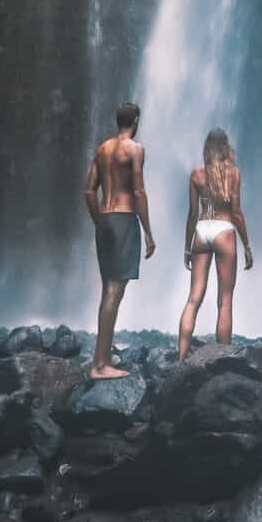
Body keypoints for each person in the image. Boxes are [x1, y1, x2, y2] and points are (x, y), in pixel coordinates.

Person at [84, 101, 155, 378]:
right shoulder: (135, 149)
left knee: (107, 292)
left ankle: (102, 359)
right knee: (115, 293)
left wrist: (99, 222)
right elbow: (138, 192)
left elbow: (89, 192)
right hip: (125, 220)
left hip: (105, 218)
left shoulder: (102, 149)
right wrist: (148, 231)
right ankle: (100, 365)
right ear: (136, 120)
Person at [178, 128, 253, 361]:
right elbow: (237, 213)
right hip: (223, 229)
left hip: (202, 229)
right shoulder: (234, 174)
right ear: (225, 148)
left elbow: (192, 214)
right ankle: (221, 359)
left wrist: (187, 247)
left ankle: (181, 358)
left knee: (193, 299)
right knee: (225, 301)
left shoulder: (196, 174)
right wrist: (247, 246)